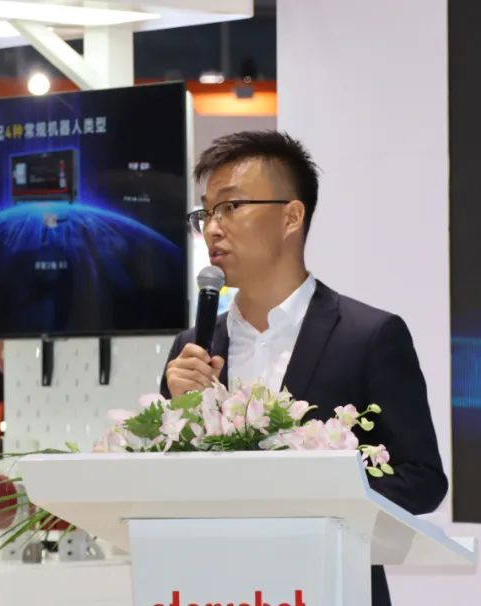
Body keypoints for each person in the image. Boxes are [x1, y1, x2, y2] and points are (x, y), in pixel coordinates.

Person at [160, 131, 446, 606]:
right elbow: (164, 486)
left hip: (332, 587)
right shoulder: (192, 347)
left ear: (291, 216)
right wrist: (179, 412)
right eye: (206, 213)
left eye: (231, 206)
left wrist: (309, 495)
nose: (212, 228)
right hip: (213, 588)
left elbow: (422, 479)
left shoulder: (369, 336)